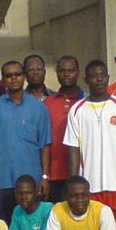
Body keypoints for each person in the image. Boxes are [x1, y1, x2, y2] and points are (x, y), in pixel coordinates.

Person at [65, 59, 116, 222]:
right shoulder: (77, 110)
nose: (98, 79)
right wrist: (73, 182)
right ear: (86, 80)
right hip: (89, 186)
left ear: (107, 77)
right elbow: (73, 149)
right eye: (93, 76)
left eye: (102, 75)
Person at [0, 60, 52, 220]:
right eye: (8, 75)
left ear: (24, 76)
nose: (14, 78)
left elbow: (45, 145)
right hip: (2, 180)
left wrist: (45, 177)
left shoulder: (39, 108)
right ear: (3, 79)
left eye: (17, 74)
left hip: (32, 181)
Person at [44, 56, 85, 202]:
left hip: (83, 173)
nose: (66, 74)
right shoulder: (47, 103)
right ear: (56, 73)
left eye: (71, 70)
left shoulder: (87, 101)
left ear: (78, 73)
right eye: (62, 71)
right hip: (55, 174)